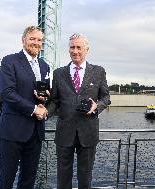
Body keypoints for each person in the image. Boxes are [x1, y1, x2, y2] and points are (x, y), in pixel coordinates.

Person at [46, 33, 110, 189]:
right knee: (63, 177)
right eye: (72, 47)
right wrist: (46, 112)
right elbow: (55, 101)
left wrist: (97, 107)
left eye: (79, 47)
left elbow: (106, 97)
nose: (75, 51)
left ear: (86, 49)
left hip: (88, 133)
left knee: (85, 177)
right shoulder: (58, 73)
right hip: (64, 133)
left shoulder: (98, 71)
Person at [0, 26, 50, 189]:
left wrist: (44, 100)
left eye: (39, 40)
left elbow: (45, 94)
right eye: (32, 39)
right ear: (23, 40)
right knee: (7, 179)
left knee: (29, 179)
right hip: (12, 131)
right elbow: (7, 93)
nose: (36, 43)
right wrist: (34, 109)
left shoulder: (44, 66)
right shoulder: (9, 61)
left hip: (35, 132)